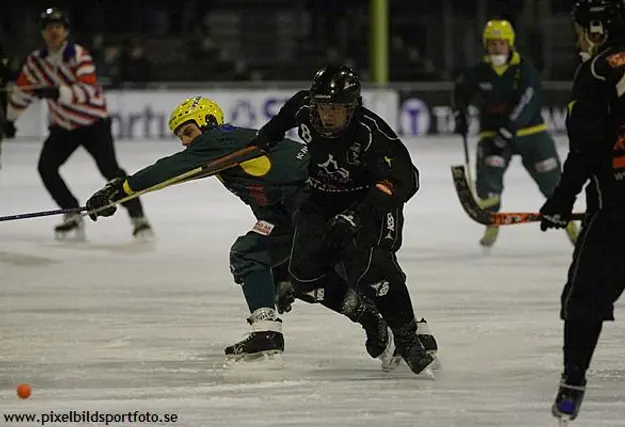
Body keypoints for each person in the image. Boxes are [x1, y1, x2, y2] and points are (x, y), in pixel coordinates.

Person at [84, 96, 397, 366]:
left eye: (188, 132)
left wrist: (119, 190)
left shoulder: (217, 140)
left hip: (313, 206)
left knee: (250, 255)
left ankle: (268, 333)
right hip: (314, 206)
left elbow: (170, 169)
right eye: (180, 136)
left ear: (208, 123)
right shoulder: (230, 152)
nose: (185, 142)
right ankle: (396, 329)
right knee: (310, 275)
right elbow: (270, 199)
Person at [250, 64, 438, 375]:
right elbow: (292, 108)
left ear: (352, 107)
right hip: (322, 198)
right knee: (304, 278)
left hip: (370, 203)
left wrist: (357, 215)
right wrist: (266, 136)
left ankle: (408, 337)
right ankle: (369, 318)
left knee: (370, 268)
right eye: (323, 106)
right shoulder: (305, 109)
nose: (327, 115)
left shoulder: (371, 134)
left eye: (336, 108)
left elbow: (406, 180)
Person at [539, 0, 625, 423]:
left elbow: (585, 151)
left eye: (581, 30)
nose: (578, 39)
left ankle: (572, 385)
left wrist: (561, 202)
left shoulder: (597, 70)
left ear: (597, 29)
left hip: (620, 205)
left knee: (584, 299)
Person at [2, 8, 153, 241]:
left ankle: (138, 216)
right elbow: (23, 93)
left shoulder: (79, 55)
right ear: (43, 32)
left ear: (66, 31)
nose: (53, 32)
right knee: (46, 168)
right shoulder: (35, 62)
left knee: (110, 170)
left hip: (94, 125)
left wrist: (55, 92)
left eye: (58, 27)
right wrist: (9, 120)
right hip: (64, 128)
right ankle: (71, 212)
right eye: (49, 28)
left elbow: (88, 91)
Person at [453, 19, 579, 248]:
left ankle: (569, 223)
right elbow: (460, 92)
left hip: (531, 133)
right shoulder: (478, 71)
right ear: (486, 45)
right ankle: (491, 222)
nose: (497, 48)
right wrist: (460, 114)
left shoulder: (525, 70)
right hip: (493, 135)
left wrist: (507, 131)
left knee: (553, 183)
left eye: (502, 43)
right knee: (487, 181)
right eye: (492, 43)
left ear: (510, 44)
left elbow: (528, 102)